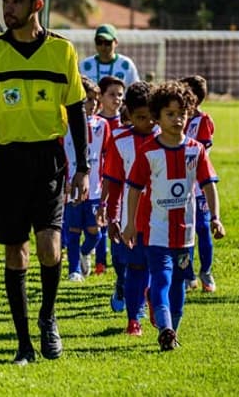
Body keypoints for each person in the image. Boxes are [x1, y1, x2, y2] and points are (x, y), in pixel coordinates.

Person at [0, 0, 90, 365]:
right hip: (7, 159)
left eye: (16, 0)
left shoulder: (62, 51)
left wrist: (84, 167)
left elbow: (76, 113)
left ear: (37, 5)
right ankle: (23, 345)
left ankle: (48, 316)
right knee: (15, 253)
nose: (8, 7)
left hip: (49, 159)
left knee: (49, 246)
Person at [122, 81, 225, 351]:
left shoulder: (196, 149)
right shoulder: (149, 152)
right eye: (170, 114)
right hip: (156, 232)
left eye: (182, 113)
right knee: (162, 279)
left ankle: (172, 329)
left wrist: (216, 217)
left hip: (186, 234)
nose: (177, 119)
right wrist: (130, 224)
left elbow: (208, 184)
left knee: (179, 284)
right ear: (157, 116)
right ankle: (165, 329)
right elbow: (133, 189)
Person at [99, 81, 157, 336]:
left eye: (152, 116)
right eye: (141, 117)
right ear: (130, 115)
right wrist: (111, 216)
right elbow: (112, 181)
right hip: (129, 218)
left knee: (157, 267)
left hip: (162, 217)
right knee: (131, 268)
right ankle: (133, 317)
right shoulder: (120, 140)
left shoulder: (167, 138)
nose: (149, 122)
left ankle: (149, 305)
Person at [62, 77, 110, 282]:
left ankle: (84, 252)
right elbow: (61, 156)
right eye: (84, 100)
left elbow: (107, 156)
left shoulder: (103, 125)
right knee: (73, 229)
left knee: (95, 232)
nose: (89, 105)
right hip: (72, 186)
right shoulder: (64, 127)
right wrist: (64, 180)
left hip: (95, 189)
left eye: (93, 100)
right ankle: (74, 270)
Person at [179, 75, 218, 292]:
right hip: (177, 185)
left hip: (198, 185)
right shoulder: (174, 118)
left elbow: (202, 151)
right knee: (184, 231)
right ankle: (187, 275)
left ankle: (206, 271)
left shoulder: (203, 121)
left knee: (203, 228)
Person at [91, 75, 127, 275]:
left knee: (116, 218)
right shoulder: (95, 123)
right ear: (101, 97)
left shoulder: (126, 124)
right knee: (99, 222)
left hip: (119, 180)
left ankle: (116, 259)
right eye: (112, 94)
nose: (117, 99)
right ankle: (99, 261)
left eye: (120, 95)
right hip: (99, 179)